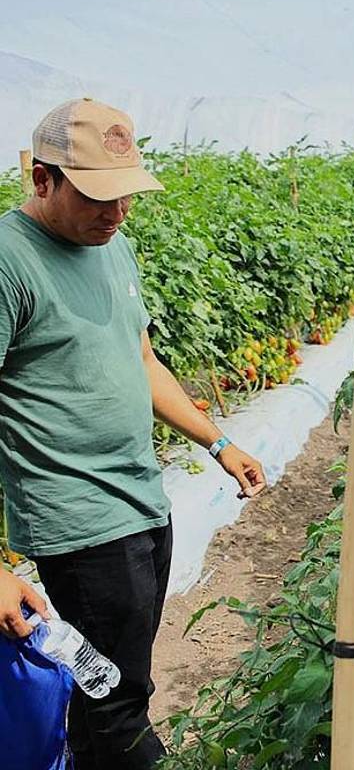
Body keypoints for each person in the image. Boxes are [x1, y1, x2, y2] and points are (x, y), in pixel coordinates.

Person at [0, 98, 268, 769]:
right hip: (80, 521)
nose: (115, 214)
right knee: (118, 703)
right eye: (97, 197)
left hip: (142, 502)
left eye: (126, 197)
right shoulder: (9, 262)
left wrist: (218, 443)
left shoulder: (112, 246)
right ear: (42, 179)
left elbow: (141, 359)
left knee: (107, 691)